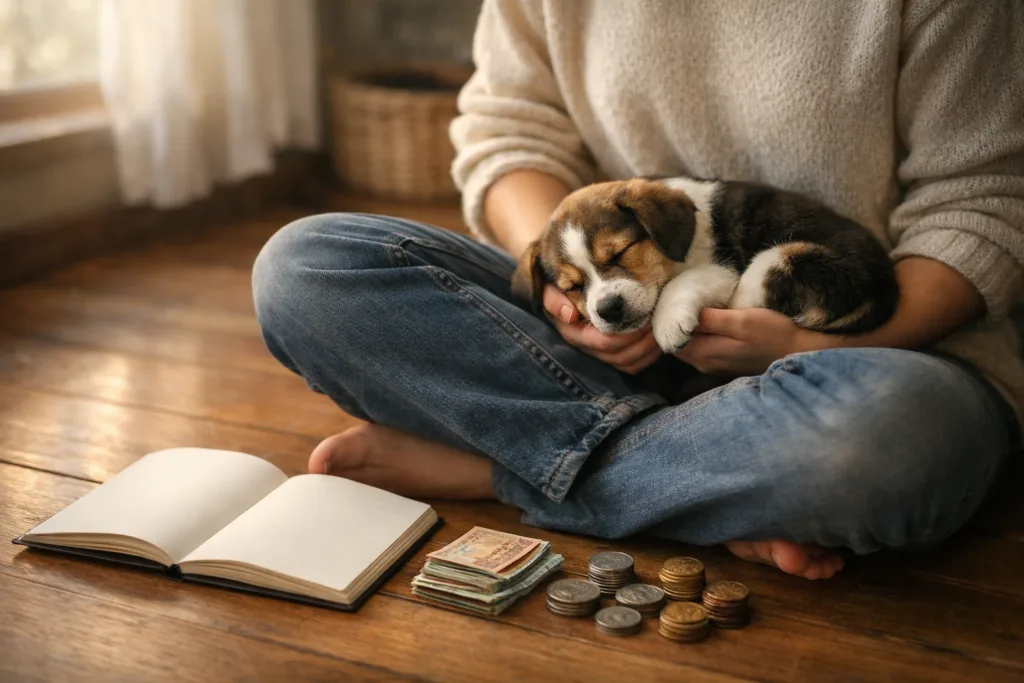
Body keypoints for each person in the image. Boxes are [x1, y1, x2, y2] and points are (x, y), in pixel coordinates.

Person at [252, 1, 1024, 579]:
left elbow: (983, 202)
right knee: (307, 268)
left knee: (880, 442)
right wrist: (563, 290)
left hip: (868, 351)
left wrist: (807, 342)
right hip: (604, 332)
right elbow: (509, 134)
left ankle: (499, 466)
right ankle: (703, 482)